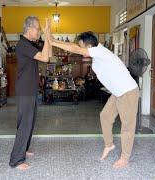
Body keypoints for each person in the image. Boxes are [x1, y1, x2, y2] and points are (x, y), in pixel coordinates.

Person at [48, 31, 139, 169]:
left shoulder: (99, 51)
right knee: (105, 116)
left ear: (89, 45)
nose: (80, 50)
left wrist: (53, 42)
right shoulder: (97, 56)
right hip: (117, 92)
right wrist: (54, 40)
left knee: (127, 126)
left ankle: (125, 158)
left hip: (127, 91)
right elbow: (75, 47)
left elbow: (75, 48)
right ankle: (109, 145)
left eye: (81, 46)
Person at [9, 16, 51, 170]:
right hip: (25, 90)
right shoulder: (22, 44)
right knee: (24, 124)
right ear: (30, 28)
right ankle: (16, 160)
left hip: (30, 89)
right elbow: (45, 58)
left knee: (30, 122)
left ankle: (24, 149)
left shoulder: (30, 44)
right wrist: (46, 36)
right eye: (38, 29)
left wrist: (48, 36)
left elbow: (49, 52)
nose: (39, 31)